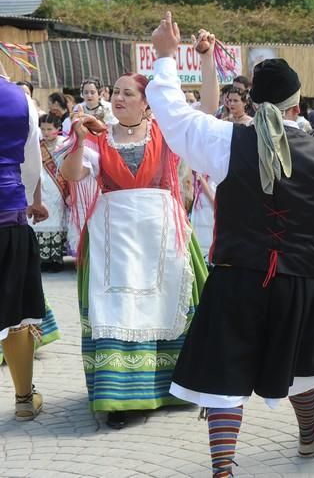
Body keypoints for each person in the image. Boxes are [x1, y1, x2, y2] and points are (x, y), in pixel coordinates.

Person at [145, 17, 314, 476]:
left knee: (226, 372)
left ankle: (223, 470)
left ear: (253, 100)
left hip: (237, 273)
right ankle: (305, 436)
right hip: (297, 277)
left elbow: (175, 117)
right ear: (298, 103)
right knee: (301, 364)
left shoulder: (224, 140)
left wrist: (164, 57)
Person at [59, 71, 208, 430]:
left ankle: (174, 386)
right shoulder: (99, 137)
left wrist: (204, 59)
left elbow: (210, 108)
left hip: (162, 233)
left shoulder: (166, 133)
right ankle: (121, 398)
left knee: (166, 301)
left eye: (128, 93)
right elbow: (72, 174)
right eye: (116, 93)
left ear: (147, 101)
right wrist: (78, 141)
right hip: (115, 236)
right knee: (120, 307)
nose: (119, 99)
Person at [0, 59, 48, 420]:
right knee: (15, 312)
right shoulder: (19, 99)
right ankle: (22, 399)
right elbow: (31, 163)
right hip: (9, 214)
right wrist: (32, 200)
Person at [32, 115, 69, 272]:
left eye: (49, 129)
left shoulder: (65, 145)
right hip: (42, 188)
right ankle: (42, 259)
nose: (46, 132)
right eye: (43, 129)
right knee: (42, 221)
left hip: (59, 189)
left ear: (57, 129)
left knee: (58, 221)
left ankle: (56, 259)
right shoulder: (36, 146)